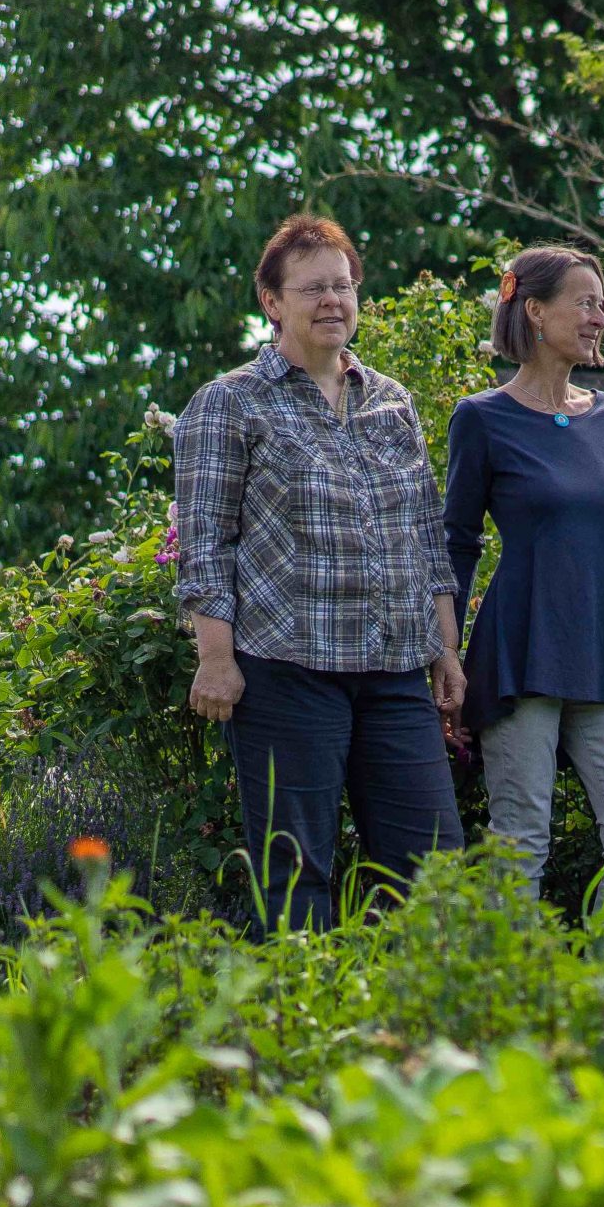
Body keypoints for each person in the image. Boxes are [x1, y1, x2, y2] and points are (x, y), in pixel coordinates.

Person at [174, 213, 465, 933]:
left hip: (396, 668)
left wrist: (446, 649)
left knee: (436, 871)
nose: (333, 300)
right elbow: (206, 541)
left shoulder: (391, 400)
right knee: (295, 867)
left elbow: (427, 536)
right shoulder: (230, 401)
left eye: (343, 285)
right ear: (272, 301)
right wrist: (215, 656)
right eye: (313, 288)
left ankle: (427, 1034)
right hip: (285, 670)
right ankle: (303, 1030)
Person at [443, 246, 604, 901]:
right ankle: (515, 1001)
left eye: (602, 304)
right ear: (534, 311)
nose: (598, 316)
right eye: (584, 302)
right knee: (519, 843)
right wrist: (448, 658)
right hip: (522, 650)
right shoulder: (482, 417)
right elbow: (456, 544)